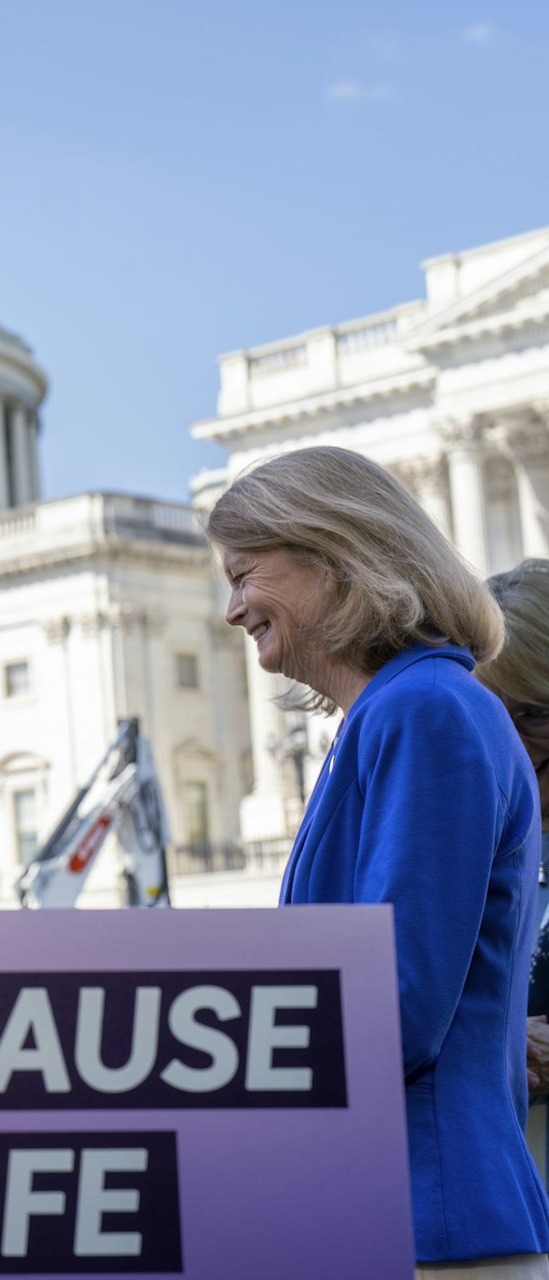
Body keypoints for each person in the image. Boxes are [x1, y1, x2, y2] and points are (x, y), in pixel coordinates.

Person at [206, 446, 549, 1274]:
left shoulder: (425, 709)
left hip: (431, 1216)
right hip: (400, 1209)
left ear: (334, 557)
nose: (231, 610)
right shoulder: (398, 711)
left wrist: (198, 1054)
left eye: (245, 574)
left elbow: (395, 1001)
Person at [478, 559, 549, 1101]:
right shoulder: (470, 841)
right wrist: (498, 1043)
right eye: (490, 716)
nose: (511, 744)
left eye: (532, 715)